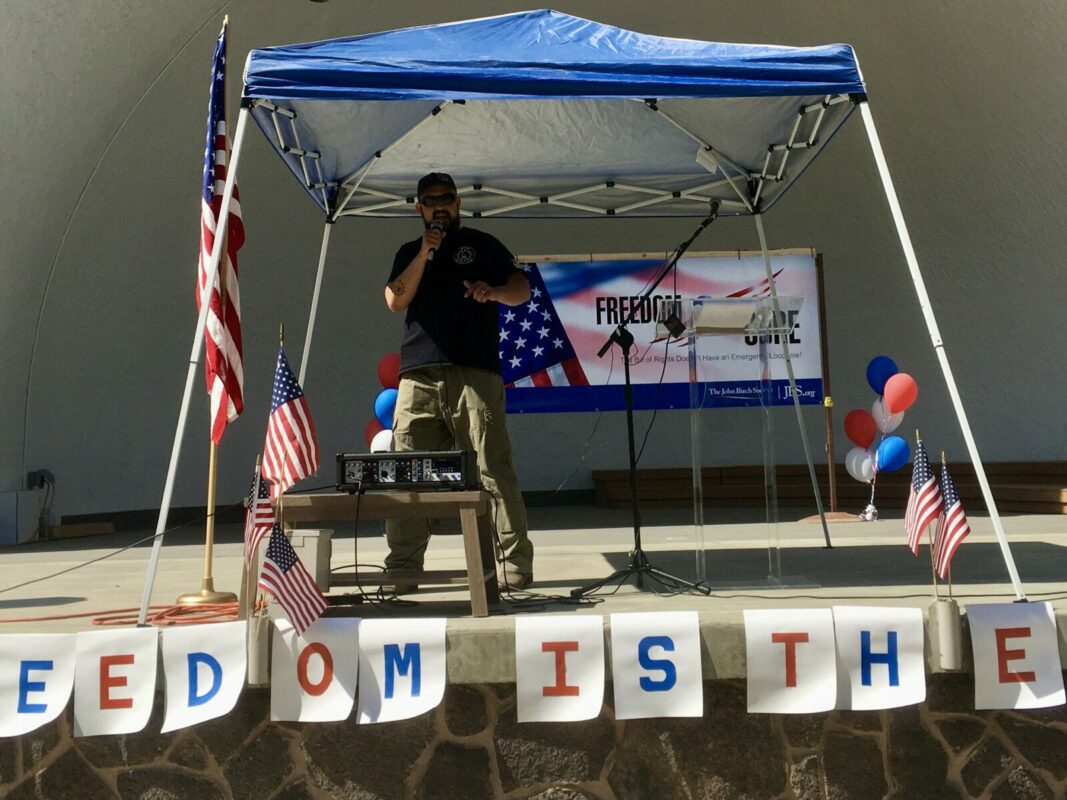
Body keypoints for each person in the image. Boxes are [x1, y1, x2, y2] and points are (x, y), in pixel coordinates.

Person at [383, 172, 534, 589]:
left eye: (447, 198)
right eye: (431, 201)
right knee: (407, 470)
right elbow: (395, 299)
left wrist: (495, 292)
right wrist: (424, 254)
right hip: (420, 374)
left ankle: (513, 563)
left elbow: (521, 289)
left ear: (459, 203)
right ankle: (403, 566)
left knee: (491, 466)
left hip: (475, 371)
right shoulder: (410, 251)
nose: (440, 206)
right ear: (419, 207)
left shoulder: (483, 245)